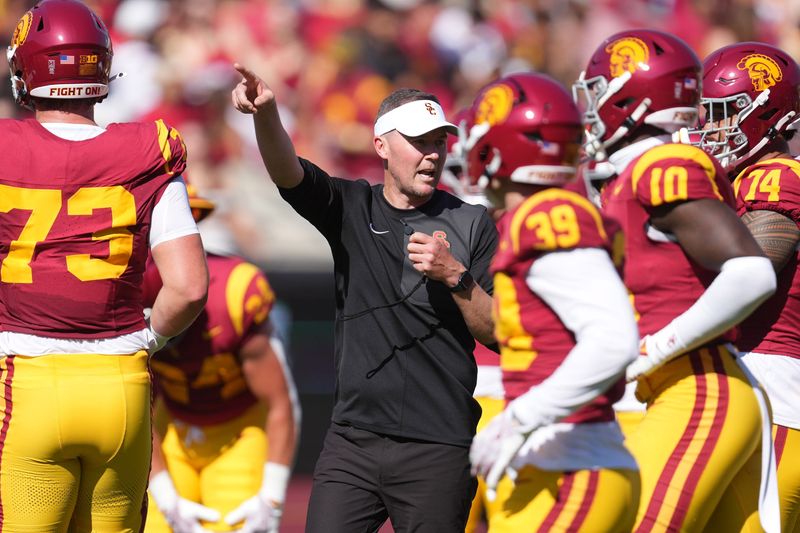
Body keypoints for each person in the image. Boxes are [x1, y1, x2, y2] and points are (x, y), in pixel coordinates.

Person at [231, 64, 498, 532]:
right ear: (381, 146)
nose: (433, 154)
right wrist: (266, 114)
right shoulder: (350, 207)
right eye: (419, 141)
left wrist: (455, 275)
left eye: (439, 141)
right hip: (352, 440)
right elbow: (287, 173)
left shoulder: (473, 222)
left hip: (439, 443)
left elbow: (499, 332)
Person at [0, 1, 209, 531]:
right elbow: (187, 288)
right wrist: (144, 341)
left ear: (26, 69)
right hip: (121, 385)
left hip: (23, 383)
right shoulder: (148, 150)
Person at [573, 29, 778, 532]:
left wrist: (657, 346)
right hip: (683, 390)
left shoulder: (663, 163)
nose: (591, 109)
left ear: (630, 96)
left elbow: (751, 272)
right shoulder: (635, 174)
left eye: (599, 92)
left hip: (698, 387)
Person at [463, 72, 641, 532]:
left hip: (571, 465)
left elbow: (613, 339)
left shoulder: (548, 216)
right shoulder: (538, 216)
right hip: (555, 463)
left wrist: (518, 418)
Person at [142, 184, 300, 533]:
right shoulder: (127, 285)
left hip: (237, 427)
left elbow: (279, 403)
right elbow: (134, 409)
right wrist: (165, 494)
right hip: (170, 427)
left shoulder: (235, 290)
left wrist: (271, 499)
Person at [691, 41, 800, 532]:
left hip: (773, 391)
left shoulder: (776, 176)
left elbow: (749, 271)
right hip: (752, 389)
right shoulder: (738, 182)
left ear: (767, 114)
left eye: (723, 113)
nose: (711, 128)